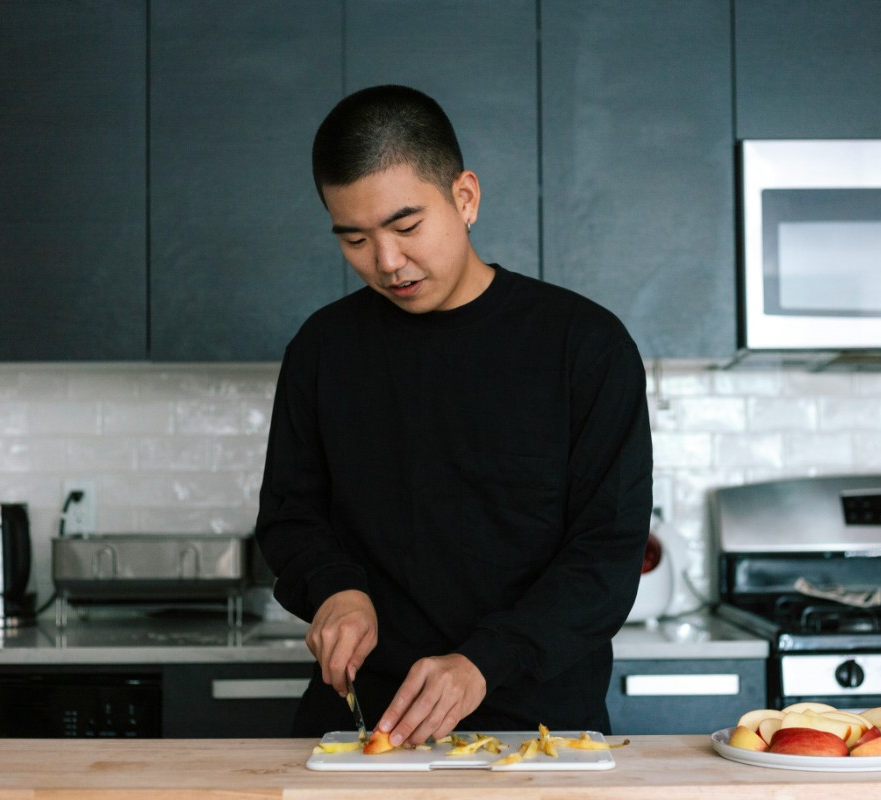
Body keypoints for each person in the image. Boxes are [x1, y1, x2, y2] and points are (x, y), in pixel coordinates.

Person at [255, 84, 653, 747]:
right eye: (354, 238)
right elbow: (291, 513)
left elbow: (605, 559)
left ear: (464, 198)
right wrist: (336, 591)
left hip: (540, 730)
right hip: (362, 728)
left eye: (406, 227)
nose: (385, 262)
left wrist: (482, 665)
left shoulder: (583, 346)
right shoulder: (324, 349)